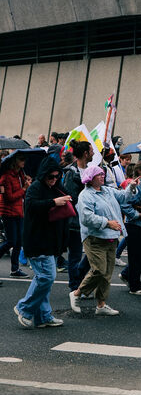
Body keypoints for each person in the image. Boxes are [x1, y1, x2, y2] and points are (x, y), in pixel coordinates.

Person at [14, 155, 73, 329]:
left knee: (44, 280)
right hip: (37, 241)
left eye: (57, 176)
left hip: (51, 241)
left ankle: (43, 317)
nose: (54, 179)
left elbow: (71, 198)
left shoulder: (56, 187)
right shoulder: (36, 187)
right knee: (46, 277)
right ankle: (24, 308)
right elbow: (31, 206)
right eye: (50, 176)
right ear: (43, 174)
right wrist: (53, 202)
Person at [71, 165, 128, 316]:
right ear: (90, 178)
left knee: (107, 274)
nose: (103, 176)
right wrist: (107, 223)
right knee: (99, 270)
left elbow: (123, 197)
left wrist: (132, 187)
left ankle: (101, 305)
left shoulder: (107, 190)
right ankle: (77, 293)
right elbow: (86, 218)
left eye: (103, 174)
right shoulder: (85, 195)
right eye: (99, 175)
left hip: (111, 236)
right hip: (95, 237)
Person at [62, 140, 94, 297]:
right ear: (86, 153)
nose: (94, 153)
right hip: (75, 220)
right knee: (74, 255)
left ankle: (78, 279)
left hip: (89, 219)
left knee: (92, 253)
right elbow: (70, 196)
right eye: (91, 150)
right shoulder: (71, 172)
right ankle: (75, 287)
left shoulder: (91, 170)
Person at [119, 156, 141, 295]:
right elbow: (124, 204)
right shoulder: (134, 185)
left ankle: (126, 274)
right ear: (140, 170)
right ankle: (134, 286)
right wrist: (135, 214)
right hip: (134, 224)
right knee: (135, 255)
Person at [0, 152, 30, 277]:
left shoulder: (21, 175)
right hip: (8, 212)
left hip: (19, 211)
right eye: (21, 159)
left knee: (18, 242)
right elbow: (9, 197)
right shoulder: (6, 177)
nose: (24, 161)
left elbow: (23, 195)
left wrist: (27, 184)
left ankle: (15, 269)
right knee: (11, 241)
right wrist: (23, 189)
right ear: (14, 161)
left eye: (24, 159)